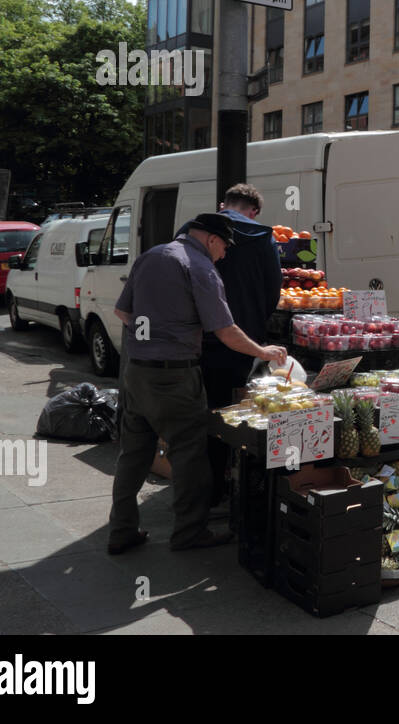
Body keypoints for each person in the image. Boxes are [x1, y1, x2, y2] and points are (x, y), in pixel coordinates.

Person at [108, 213, 287, 555]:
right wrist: (262, 350)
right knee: (190, 454)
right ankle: (190, 532)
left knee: (133, 455)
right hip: (175, 375)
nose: (223, 255)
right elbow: (225, 331)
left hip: (136, 370)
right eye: (224, 248)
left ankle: (121, 530)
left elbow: (123, 312)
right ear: (210, 239)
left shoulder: (152, 255)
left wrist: (150, 335)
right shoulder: (201, 267)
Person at [178, 184, 282, 506]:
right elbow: (272, 291)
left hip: (195, 341)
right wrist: (253, 327)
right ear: (254, 211)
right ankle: (220, 487)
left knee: (197, 416)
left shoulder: (193, 229)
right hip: (241, 342)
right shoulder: (264, 237)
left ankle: (196, 491)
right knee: (230, 417)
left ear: (223, 205)